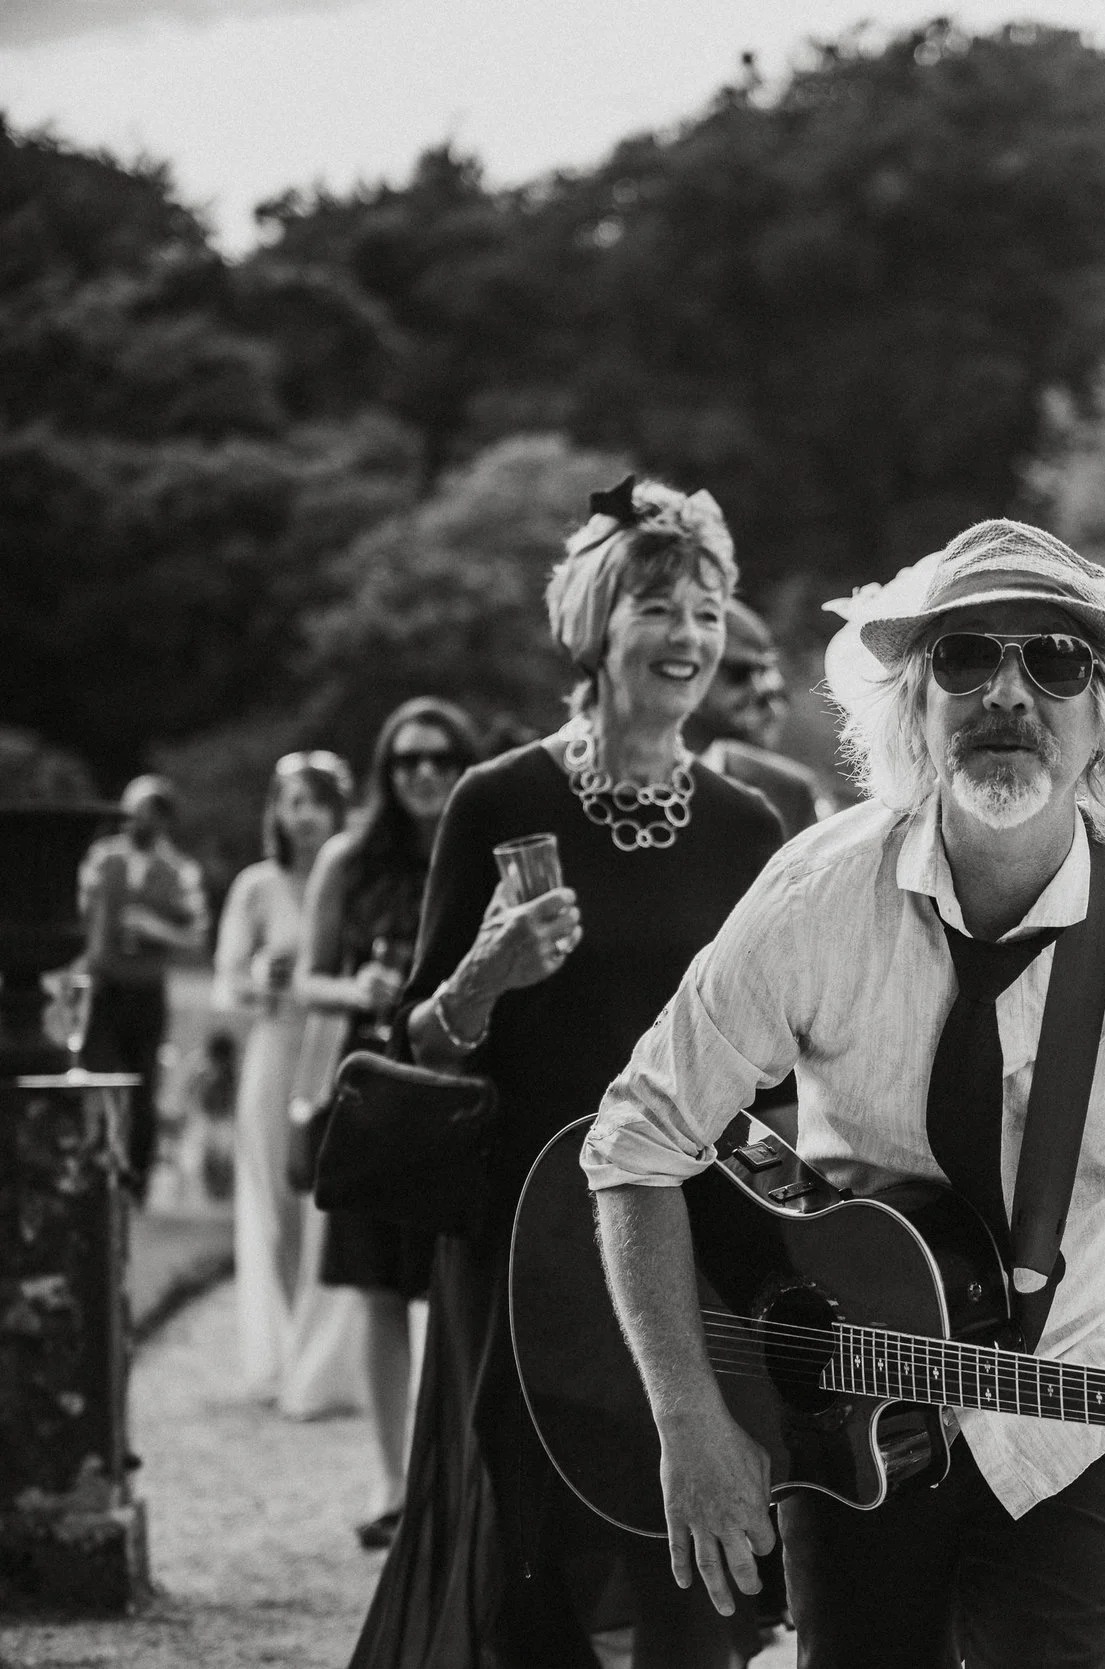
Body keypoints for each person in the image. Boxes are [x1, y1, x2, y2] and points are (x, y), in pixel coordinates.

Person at [585, 519, 1105, 1669]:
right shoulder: (817, 894)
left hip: (1079, 1389)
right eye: (966, 658)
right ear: (912, 703)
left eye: (1056, 662)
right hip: (836, 1391)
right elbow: (635, 1143)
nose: (1008, 691)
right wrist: (688, 1415)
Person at [346, 477, 782, 1669]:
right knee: (529, 1556)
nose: (689, 637)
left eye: (706, 611)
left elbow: (779, 1057)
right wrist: (485, 969)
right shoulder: (501, 800)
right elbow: (419, 1043)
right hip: (523, 1233)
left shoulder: (752, 826)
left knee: (687, 1540)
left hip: (691, 1231)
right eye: (659, 607)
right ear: (595, 624)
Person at [293, 698, 484, 1543]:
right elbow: (307, 976)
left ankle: (453, 1482)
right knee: (378, 1292)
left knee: (453, 1289)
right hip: (376, 1087)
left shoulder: (479, 850)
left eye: (441, 758)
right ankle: (391, 1483)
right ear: (385, 769)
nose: (425, 774)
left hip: (456, 1091)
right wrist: (353, 990)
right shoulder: (350, 860)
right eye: (407, 760)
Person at [213, 749, 354, 1402]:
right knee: (279, 1200)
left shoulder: (352, 879)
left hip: (335, 1049)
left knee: (331, 1201)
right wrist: (258, 976)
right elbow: (226, 983)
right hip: (275, 1050)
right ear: (277, 810)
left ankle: (327, 1358)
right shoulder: (256, 886)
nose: (306, 817)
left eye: (318, 802)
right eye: (294, 802)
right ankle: (291, 1350)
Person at [79, 774, 209, 1199]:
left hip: (145, 992)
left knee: (141, 1086)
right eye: (133, 810)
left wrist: (157, 929)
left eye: (150, 812)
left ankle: (136, 1181)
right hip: (103, 987)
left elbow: (196, 935)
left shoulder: (179, 871)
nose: (140, 819)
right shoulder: (102, 859)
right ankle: (95, 1172)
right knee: (97, 1079)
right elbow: (79, 914)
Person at [686, 596, 843, 839]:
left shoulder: (788, 792)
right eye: (739, 673)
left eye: (764, 671)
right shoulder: (625, 782)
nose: (761, 688)